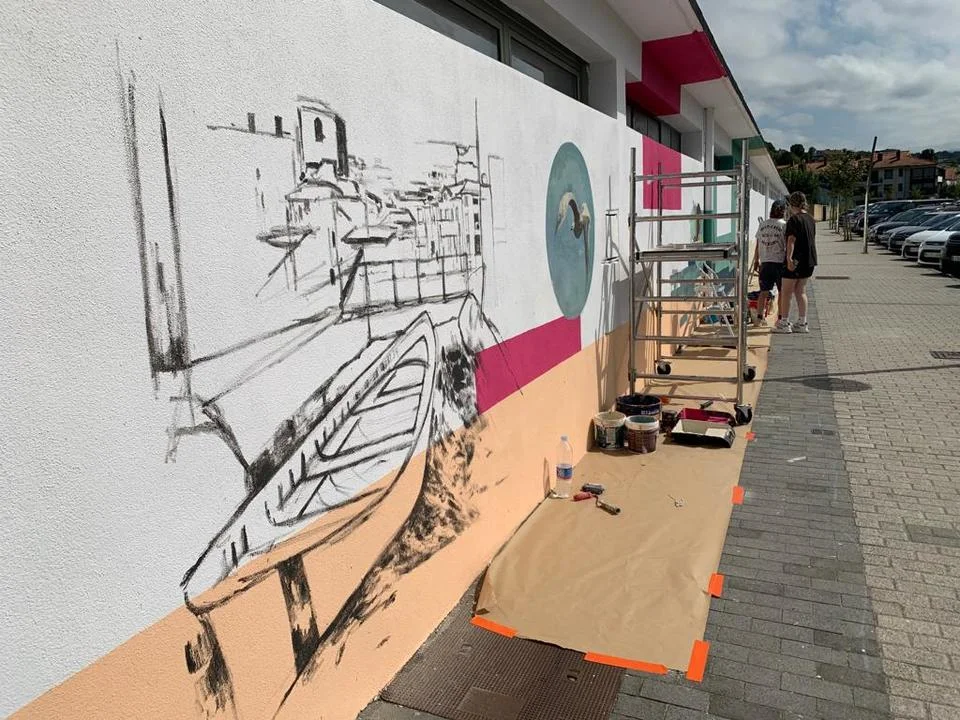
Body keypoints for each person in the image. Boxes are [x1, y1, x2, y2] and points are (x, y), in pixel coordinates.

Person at [773, 191, 818, 333]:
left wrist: (789, 259)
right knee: (801, 291)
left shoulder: (794, 220)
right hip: (809, 260)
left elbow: (791, 240)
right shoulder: (811, 219)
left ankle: (784, 323)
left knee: (786, 292)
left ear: (792, 205)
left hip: (796, 260)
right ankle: (802, 322)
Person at [751, 200, 786, 325]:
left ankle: (759, 318)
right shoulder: (784, 225)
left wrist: (756, 260)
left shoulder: (763, 225)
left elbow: (758, 244)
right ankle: (780, 318)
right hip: (779, 262)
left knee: (763, 292)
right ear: (783, 211)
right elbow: (787, 244)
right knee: (782, 292)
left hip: (765, 262)